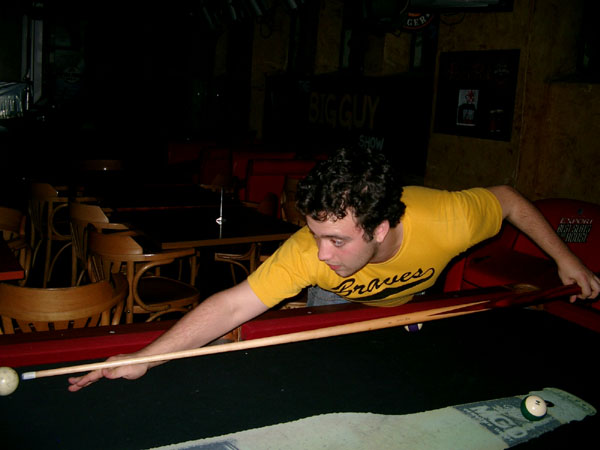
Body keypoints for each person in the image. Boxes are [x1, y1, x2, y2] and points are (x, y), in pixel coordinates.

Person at [68, 147, 600, 392]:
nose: (321, 254)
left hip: (406, 303)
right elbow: (231, 305)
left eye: (338, 240)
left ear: (381, 228)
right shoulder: (308, 253)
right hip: (337, 305)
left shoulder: (448, 220)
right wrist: (147, 358)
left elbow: (508, 199)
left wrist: (566, 258)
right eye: (316, 234)